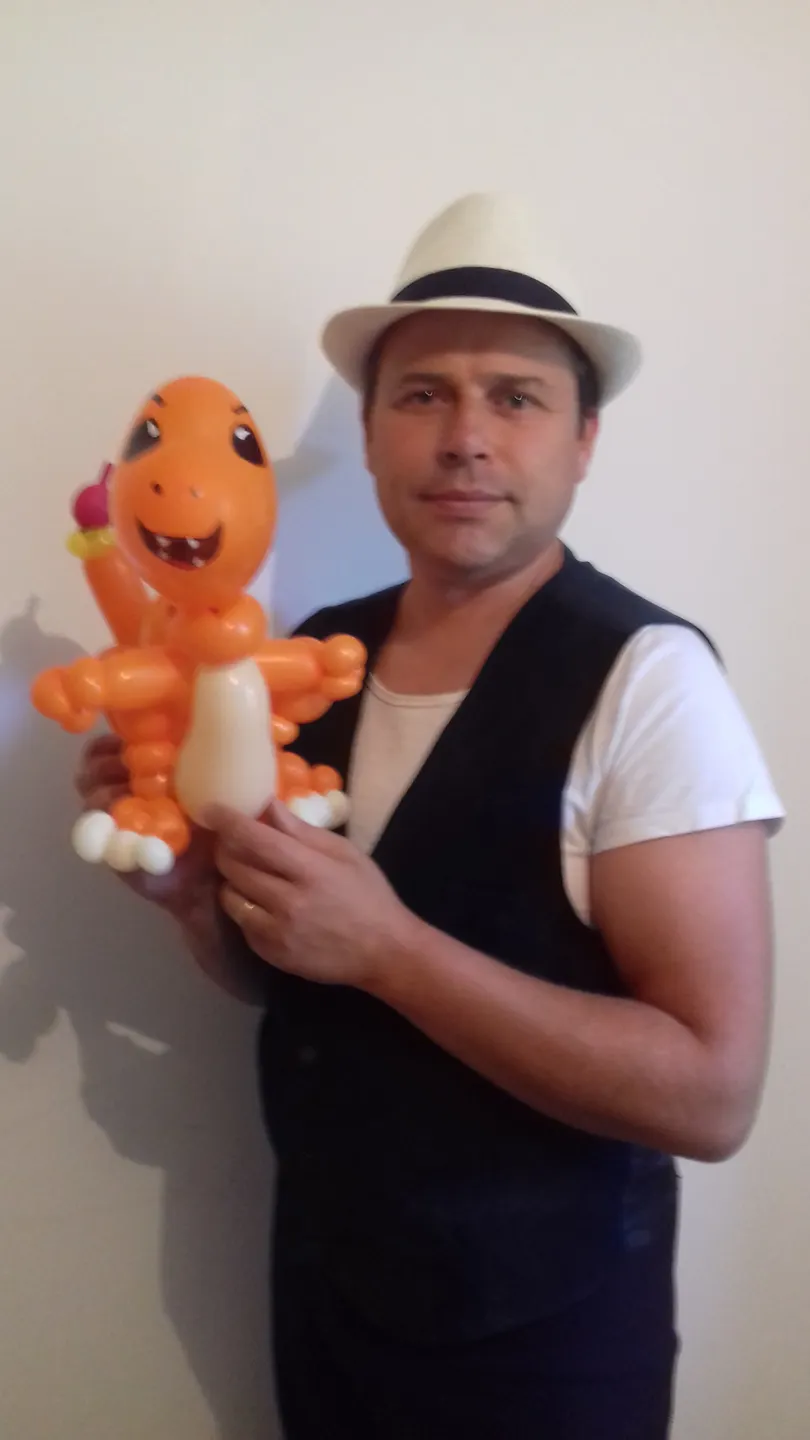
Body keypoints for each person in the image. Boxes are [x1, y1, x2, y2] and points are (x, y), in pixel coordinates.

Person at [77, 192, 784, 1439]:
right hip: (325, 1296)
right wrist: (190, 897)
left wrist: (393, 951)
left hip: (543, 1348)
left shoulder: (649, 681)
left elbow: (711, 1095)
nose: (465, 439)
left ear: (584, 441)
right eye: (423, 395)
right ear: (369, 434)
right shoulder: (311, 660)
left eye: (516, 398)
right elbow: (288, 980)